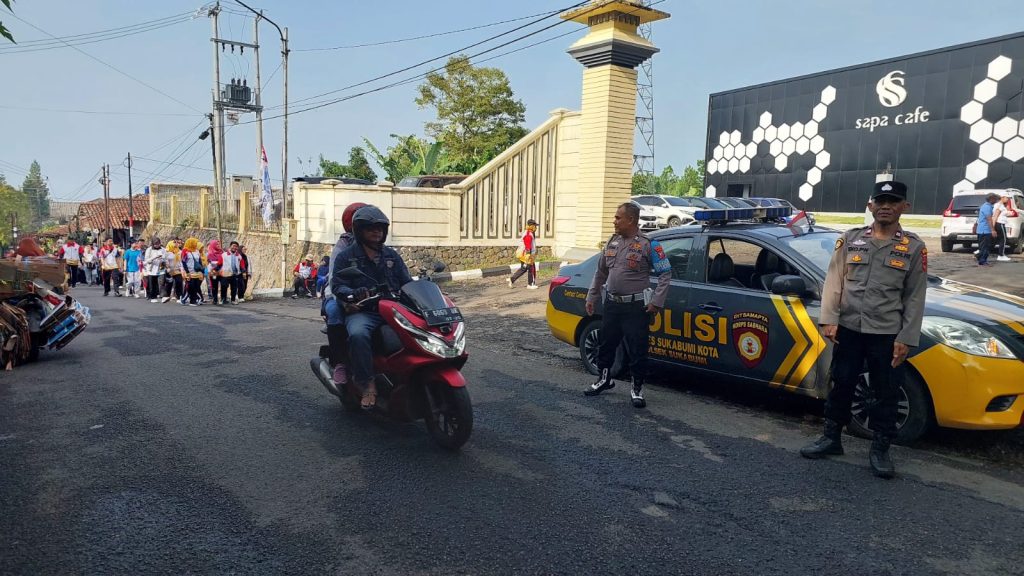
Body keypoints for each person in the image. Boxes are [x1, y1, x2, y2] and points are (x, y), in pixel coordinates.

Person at [800, 181, 927, 479]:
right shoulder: (850, 240)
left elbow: (915, 296)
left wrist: (906, 338)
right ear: (870, 205)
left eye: (893, 201)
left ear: (904, 207)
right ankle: (831, 438)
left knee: (886, 391)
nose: (885, 206)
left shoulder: (913, 247)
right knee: (841, 383)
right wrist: (829, 318)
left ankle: (880, 449)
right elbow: (834, 282)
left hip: (886, 333)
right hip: (849, 329)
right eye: (880, 200)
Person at [583, 202, 671, 408]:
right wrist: (591, 297)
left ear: (631, 220)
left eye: (618, 217)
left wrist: (657, 302)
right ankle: (604, 379)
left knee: (637, 349)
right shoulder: (612, 243)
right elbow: (600, 273)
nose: (614, 221)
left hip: (636, 307)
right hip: (612, 304)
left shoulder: (649, 245)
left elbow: (666, 274)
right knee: (605, 345)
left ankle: (637, 388)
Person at [332, 205, 412, 409]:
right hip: (365, 311)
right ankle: (366, 383)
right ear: (359, 231)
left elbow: (406, 281)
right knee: (358, 334)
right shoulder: (346, 257)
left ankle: (409, 373)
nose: (376, 232)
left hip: (393, 308)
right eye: (370, 228)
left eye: (379, 228)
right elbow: (338, 283)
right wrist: (351, 294)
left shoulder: (391, 256)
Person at [323, 202, 366, 385]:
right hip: (338, 294)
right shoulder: (343, 246)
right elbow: (335, 277)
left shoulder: (376, 243)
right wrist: (344, 298)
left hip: (368, 294)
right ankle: (339, 362)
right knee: (334, 311)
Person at [508, 219, 539, 289]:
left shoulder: (529, 232)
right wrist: (528, 255)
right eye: (535, 226)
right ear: (531, 226)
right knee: (531, 268)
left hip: (524, 254)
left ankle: (512, 279)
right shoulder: (528, 234)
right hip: (527, 255)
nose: (536, 228)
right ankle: (530, 284)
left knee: (524, 268)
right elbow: (528, 245)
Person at [976, 192, 1000, 266]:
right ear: (991, 199)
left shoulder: (986, 206)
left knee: (983, 246)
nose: (996, 200)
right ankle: (982, 260)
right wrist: (993, 230)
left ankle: (980, 257)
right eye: (995, 199)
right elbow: (989, 219)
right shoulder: (987, 207)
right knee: (986, 246)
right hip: (985, 230)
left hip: (982, 230)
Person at [181, 238, 205, 306]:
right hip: (189, 272)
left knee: (196, 286)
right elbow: (183, 262)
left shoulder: (197, 251)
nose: (196, 244)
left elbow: (199, 261)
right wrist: (187, 271)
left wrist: (201, 271)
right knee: (191, 287)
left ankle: (189, 299)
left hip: (196, 273)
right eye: (194, 242)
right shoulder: (185, 251)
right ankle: (192, 301)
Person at [143, 237, 166, 303]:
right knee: (152, 284)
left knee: (162, 282)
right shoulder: (149, 250)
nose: (157, 245)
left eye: (158, 244)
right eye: (155, 244)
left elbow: (165, 258)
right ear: (153, 244)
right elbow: (146, 260)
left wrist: (163, 259)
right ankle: (153, 297)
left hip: (161, 268)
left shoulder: (163, 249)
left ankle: (163, 296)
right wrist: (154, 257)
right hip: (151, 269)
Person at [994, 193, 1012, 262]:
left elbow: (1004, 213)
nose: (1008, 199)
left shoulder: (1001, 205)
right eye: (1007, 198)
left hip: (1001, 223)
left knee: (999, 240)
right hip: (1000, 223)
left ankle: (1001, 254)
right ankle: (1001, 255)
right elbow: (995, 216)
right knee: (1003, 239)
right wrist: (993, 226)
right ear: (1002, 197)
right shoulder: (999, 205)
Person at [206, 239, 225, 305]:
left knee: (224, 285)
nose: (218, 245)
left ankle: (223, 298)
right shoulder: (210, 254)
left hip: (222, 272)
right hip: (213, 272)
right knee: (214, 286)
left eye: (219, 244)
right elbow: (209, 264)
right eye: (217, 244)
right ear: (213, 245)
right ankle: (215, 299)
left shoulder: (222, 253)